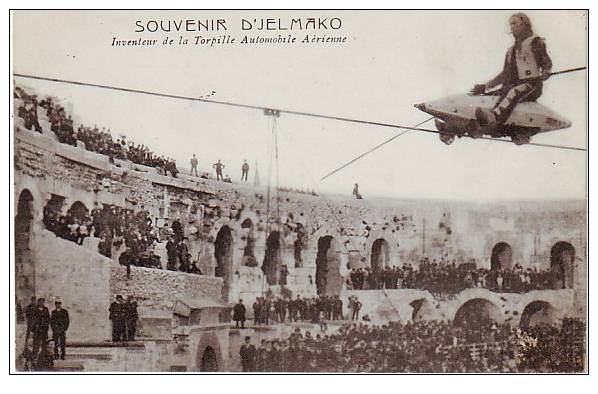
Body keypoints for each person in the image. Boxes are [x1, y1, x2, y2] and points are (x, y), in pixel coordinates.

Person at [472, 13, 552, 126]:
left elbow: (546, 61)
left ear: (524, 24)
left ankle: (495, 117)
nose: (511, 28)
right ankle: (465, 124)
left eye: (514, 23)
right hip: (513, 86)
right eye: (510, 25)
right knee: (495, 95)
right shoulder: (511, 51)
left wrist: (545, 71)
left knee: (513, 92)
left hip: (531, 85)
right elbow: (505, 74)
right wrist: (486, 87)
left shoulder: (535, 43)